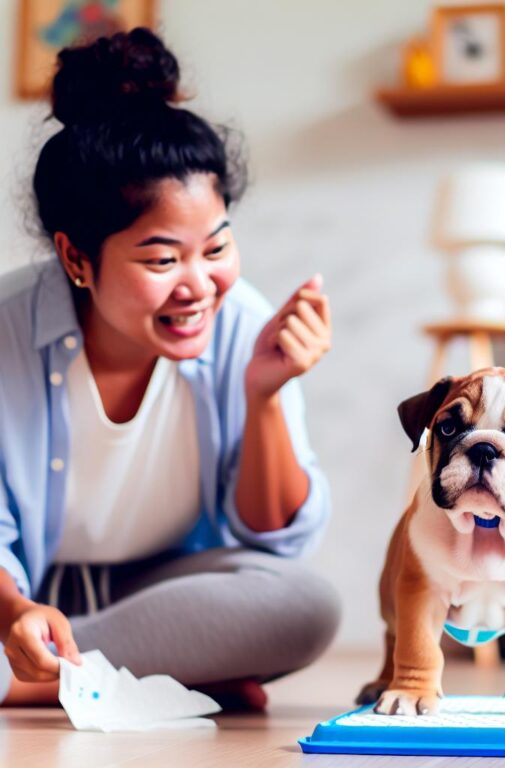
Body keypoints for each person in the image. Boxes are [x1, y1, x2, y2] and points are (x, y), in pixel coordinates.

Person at [0, 27, 339, 710]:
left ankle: (46, 682)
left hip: (169, 593)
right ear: (76, 259)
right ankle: (149, 677)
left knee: (303, 603)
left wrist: (264, 394)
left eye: (215, 247)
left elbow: (272, 538)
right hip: (20, 595)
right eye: (160, 260)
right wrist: (12, 615)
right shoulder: (7, 332)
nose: (198, 286)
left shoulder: (243, 322)